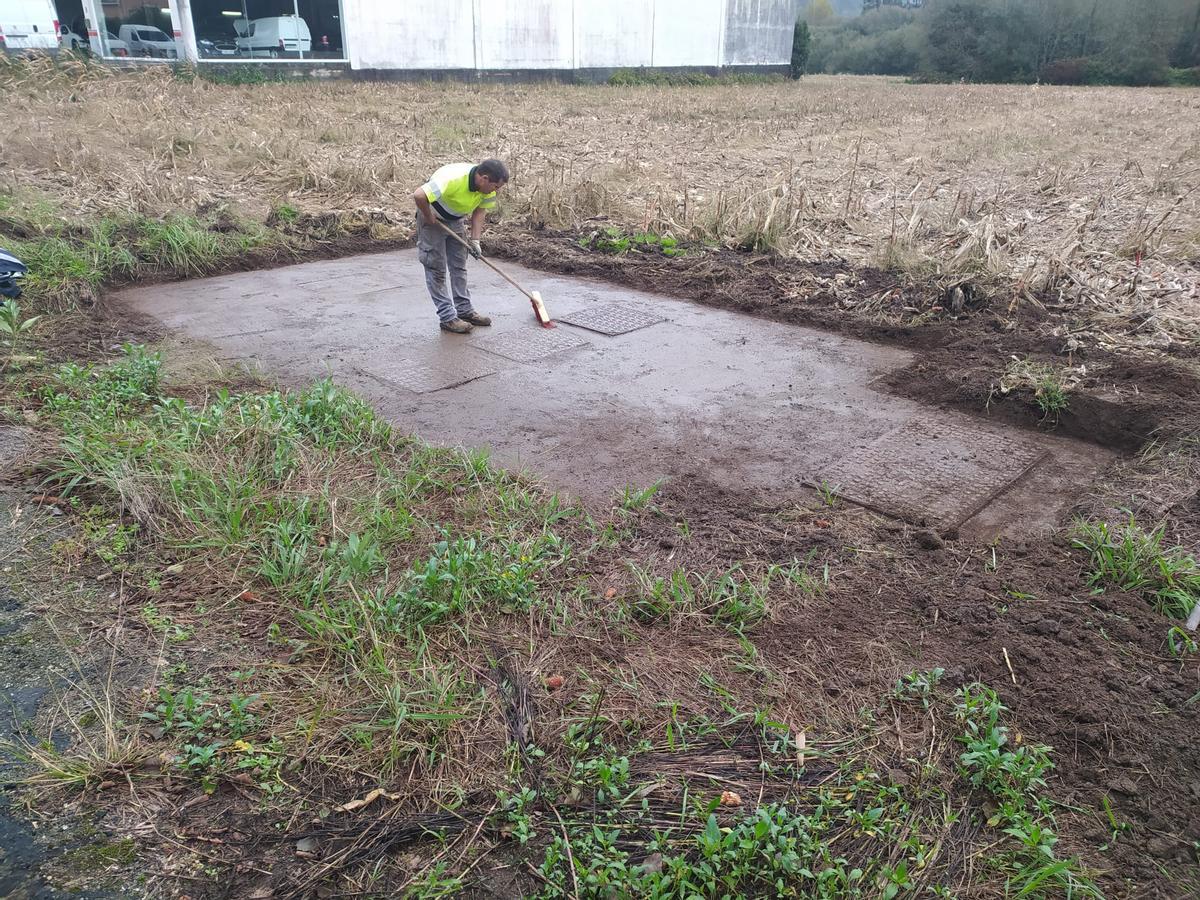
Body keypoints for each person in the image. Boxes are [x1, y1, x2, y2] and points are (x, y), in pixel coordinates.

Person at [412, 158, 509, 333]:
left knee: (459, 265)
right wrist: (427, 215)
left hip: (455, 219)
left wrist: (475, 241)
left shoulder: (487, 189)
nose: (496, 191)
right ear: (484, 179)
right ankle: (447, 317)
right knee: (436, 267)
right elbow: (419, 195)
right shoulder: (452, 178)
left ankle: (464, 310)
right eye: (496, 186)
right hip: (432, 219)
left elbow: (480, 211)